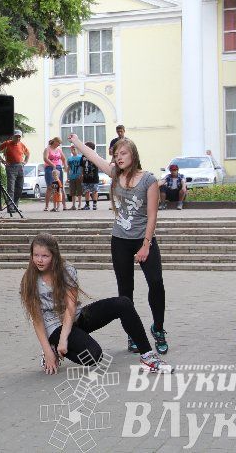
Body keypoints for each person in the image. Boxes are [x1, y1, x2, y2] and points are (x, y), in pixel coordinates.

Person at [69, 134, 170, 355]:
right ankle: (133, 335)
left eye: (123, 153)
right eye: (116, 154)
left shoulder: (148, 180)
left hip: (144, 240)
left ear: (133, 154)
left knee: (156, 282)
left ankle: (159, 329)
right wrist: (76, 142)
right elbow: (94, 157)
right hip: (120, 241)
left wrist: (146, 245)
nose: (119, 157)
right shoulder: (115, 174)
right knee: (125, 292)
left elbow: (152, 216)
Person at [21, 233, 171, 375]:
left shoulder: (66, 270)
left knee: (123, 303)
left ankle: (147, 356)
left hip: (75, 317)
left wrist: (64, 339)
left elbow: (71, 306)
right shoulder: (29, 280)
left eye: (45, 256)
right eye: (36, 255)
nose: (39, 260)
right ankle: (55, 349)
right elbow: (37, 320)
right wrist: (47, 351)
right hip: (53, 327)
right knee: (93, 356)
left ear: (54, 256)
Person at [0, 129, 30, 213]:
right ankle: (10, 207)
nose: (18, 138)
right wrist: (2, 161)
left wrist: (25, 162)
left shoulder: (21, 144)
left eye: (19, 137)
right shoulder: (7, 143)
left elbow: (28, 154)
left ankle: (15, 206)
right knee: (11, 188)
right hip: (11, 167)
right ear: (13, 136)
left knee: (20, 187)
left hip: (20, 166)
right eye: (16, 136)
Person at [42, 138, 67, 212]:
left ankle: (64, 206)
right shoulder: (47, 149)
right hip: (49, 168)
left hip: (58, 168)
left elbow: (64, 158)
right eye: (58, 143)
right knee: (50, 187)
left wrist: (65, 166)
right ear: (55, 141)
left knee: (60, 187)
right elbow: (45, 158)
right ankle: (47, 206)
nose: (59, 145)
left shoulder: (59, 150)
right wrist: (52, 165)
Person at [80, 142, 100, 211]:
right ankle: (87, 204)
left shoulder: (95, 154)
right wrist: (81, 174)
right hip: (85, 177)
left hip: (94, 176)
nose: (85, 148)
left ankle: (95, 204)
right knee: (86, 191)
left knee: (94, 191)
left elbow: (99, 163)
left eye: (86, 146)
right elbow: (81, 166)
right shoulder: (83, 156)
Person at [66, 146, 83, 210]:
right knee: (72, 192)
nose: (73, 151)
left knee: (79, 191)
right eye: (72, 150)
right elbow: (68, 168)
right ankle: (73, 205)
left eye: (74, 149)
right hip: (72, 176)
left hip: (78, 176)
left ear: (77, 150)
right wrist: (68, 177)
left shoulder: (80, 157)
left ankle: (79, 205)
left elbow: (82, 167)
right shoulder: (70, 158)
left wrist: (81, 174)